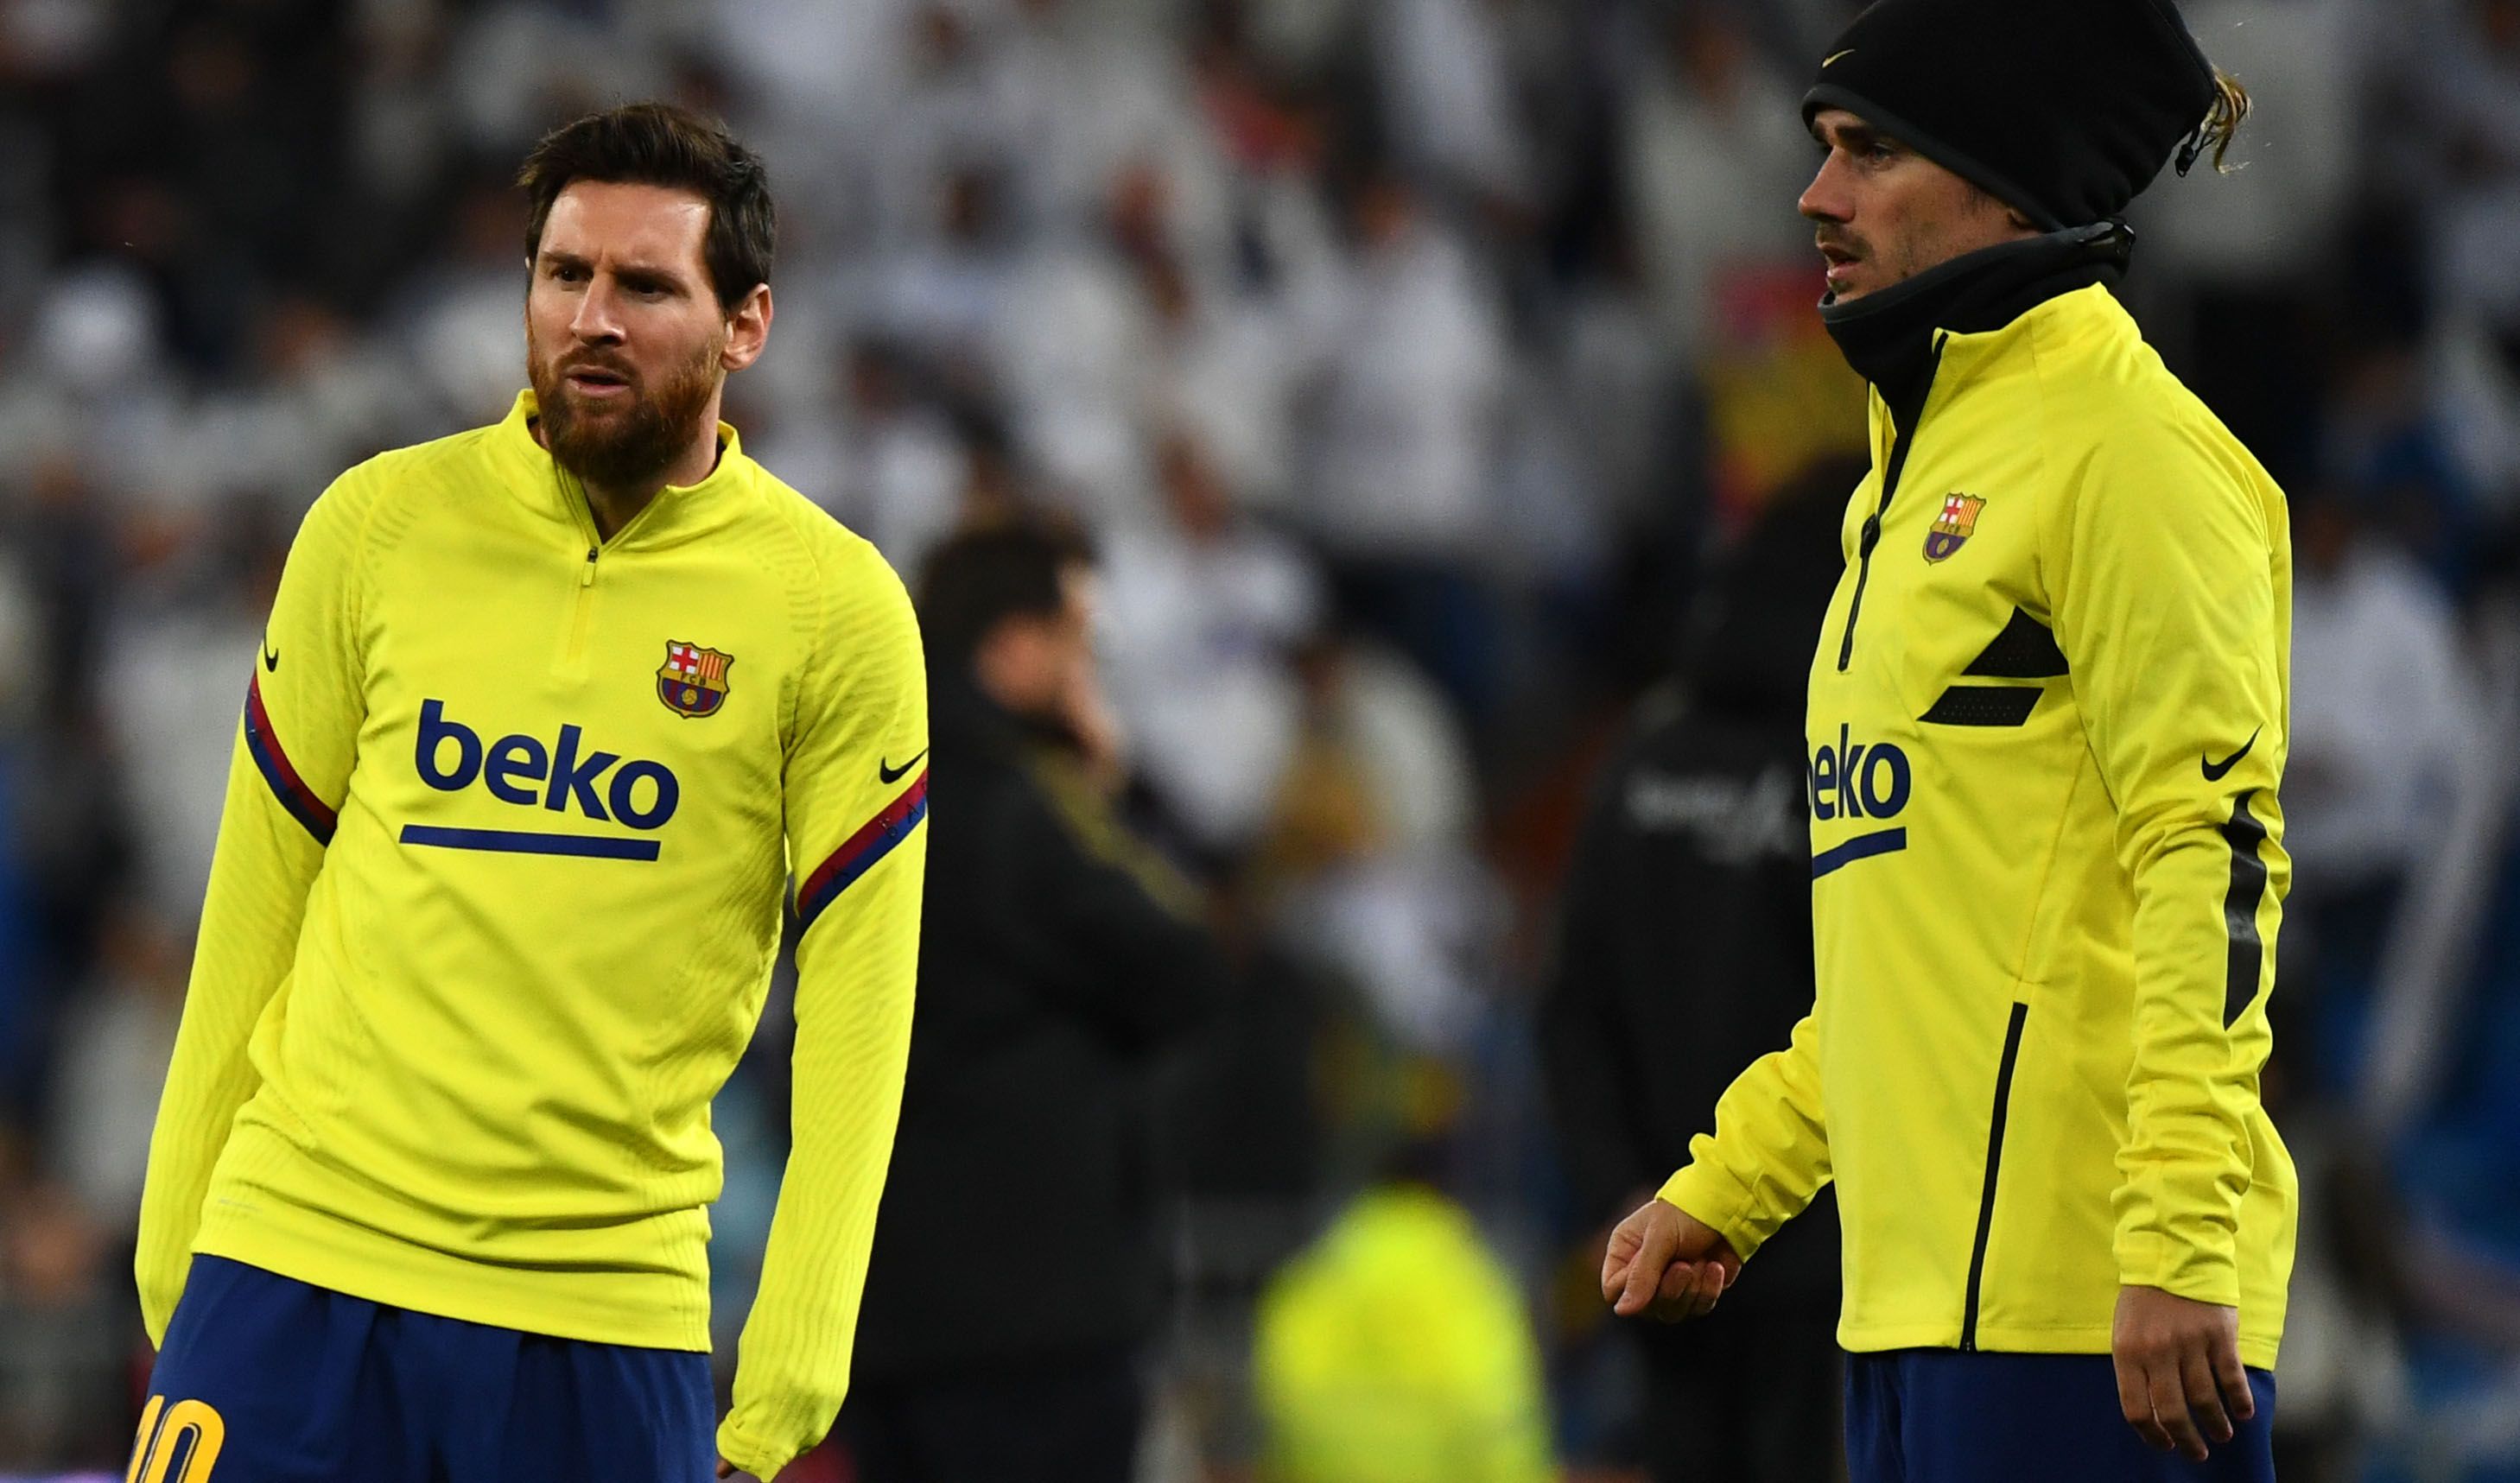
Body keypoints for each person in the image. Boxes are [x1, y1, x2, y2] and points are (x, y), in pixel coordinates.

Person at [130, 103, 927, 1483]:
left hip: (600, 1313)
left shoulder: (833, 608)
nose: (593, 318)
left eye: (645, 285)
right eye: (564, 276)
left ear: (746, 325)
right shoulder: (374, 528)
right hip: (295, 1260)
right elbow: (258, 894)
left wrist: (796, 1359)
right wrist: (174, 1242)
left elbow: (861, 1008)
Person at [1596, 3, 2298, 1480]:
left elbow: (2214, 861)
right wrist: (1731, 1184)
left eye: (1868, 154)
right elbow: (1908, 955)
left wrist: (2174, 1237)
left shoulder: (2133, 455)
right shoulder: (1895, 491)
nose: (1814, 197)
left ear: (2001, 188)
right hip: (1908, 1313)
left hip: (2102, 1316)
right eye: (1818, 152)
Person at [837, 523, 1232, 1483]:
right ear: (1014, 647)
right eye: (1076, 642)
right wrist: (1107, 792)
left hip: (885, 1308)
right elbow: (1188, 963)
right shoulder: (1024, 801)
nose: (1087, 668)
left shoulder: (861, 785)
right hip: (1032, 1320)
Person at [1541, 460, 1854, 1483]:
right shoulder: (1849, 776)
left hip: (1666, 1249)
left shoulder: (1638, 765)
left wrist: (1616, 1194)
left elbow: (1570, 1012)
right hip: (1820, 1263)